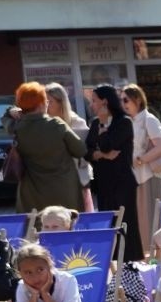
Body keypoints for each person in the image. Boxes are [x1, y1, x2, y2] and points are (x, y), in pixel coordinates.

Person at [8, 82, 87, 214]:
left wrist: (13, 111)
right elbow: (80, 150)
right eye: (45, 101)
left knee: (35, 231)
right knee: (65, 229)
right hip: (64, 191)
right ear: (40, 104)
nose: (47, 104)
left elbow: (5, 118)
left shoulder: (17, 128)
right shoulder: (57, 124)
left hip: (31, 195)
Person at [85, 85, 140, 262]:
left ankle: (130, 261)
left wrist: (102, 135)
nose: (91, 105)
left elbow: (110, 144)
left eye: (94, 101)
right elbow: (87, 151)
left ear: (105, 101)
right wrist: (101, 154)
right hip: (103, 182)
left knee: (126, 222)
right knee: (109, 222)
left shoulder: (124, 122)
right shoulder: (94, 123)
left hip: (122, 181)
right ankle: (112, 260)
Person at [122, 84, 161, 257]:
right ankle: (146, 258)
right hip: (135, 177)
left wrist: (140, 160)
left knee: (153, 219)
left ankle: (157, 259)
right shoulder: (129, 122)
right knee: (140, 220)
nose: (123, 104)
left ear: (137, 100)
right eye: (121, 100)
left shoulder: (149, 119)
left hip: (150, 175)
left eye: (126, 100)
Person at [44, 82, 94, 212]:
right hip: (52, 183)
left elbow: (85, 155)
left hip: (76, 183)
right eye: (44, 102)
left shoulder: (77, 123)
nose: (46, 106)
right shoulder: (44, 125)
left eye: (50, 102)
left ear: (61, 102)